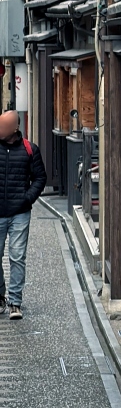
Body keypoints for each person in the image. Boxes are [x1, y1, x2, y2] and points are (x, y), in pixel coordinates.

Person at [0, 110, 47, 319]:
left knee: (17, 257)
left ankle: (15, 302)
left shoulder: (29, 149)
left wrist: (27, 198)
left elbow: (40, 178)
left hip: (20, 213)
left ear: (15, 128)